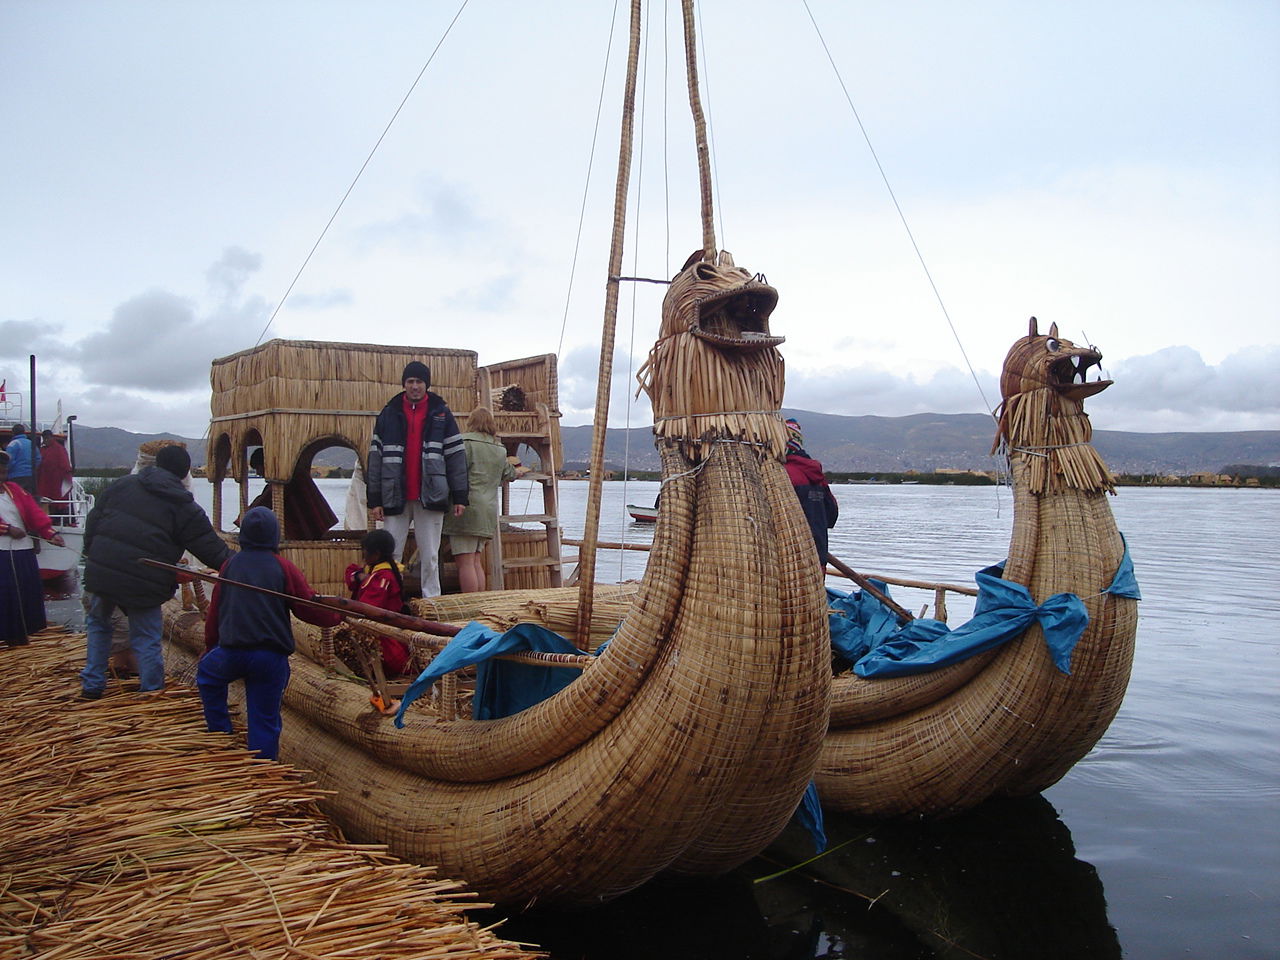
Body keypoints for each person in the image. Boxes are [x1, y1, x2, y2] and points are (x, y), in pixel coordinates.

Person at [80, 444, 230, 699]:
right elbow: (214, 551)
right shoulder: (184, 507)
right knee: (146, 635)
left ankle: (92, 685)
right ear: (185, 474)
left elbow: (93, 522)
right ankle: (151, 691)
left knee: (98, 624)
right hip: (143, 582)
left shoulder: (122, 485)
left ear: (157, 465)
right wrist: (251, 566)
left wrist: (92, 555)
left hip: (103, 572)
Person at [197, 506, 342, 760]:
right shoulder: (283, 568)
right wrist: (336, 616)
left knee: (208, 675)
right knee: (263, 718)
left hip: (232, 652)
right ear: (274, 536)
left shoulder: (230, 566)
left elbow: (215, 615)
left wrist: (211, 648)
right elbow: (306, 608)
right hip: (270, 659)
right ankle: (262, 768)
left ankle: (220, 734)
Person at [367, 361, 469, 598]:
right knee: (390, 554)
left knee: (431, 555)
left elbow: (456, 458)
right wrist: (375, 500)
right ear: (404, 384)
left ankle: (431, 602)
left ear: (426, 384)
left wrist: (460, 496)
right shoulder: (388, 413)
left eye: (419, 381)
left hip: (431, 497)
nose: (415, 386)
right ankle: (387, 600)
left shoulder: (442, 414)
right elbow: (375, 459)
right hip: (394, 496)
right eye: (410, 381)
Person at [443, 406, 520, 593]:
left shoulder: (464, 443)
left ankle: (471, 605)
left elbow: (453, 471)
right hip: (488, 511)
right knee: (476, 560)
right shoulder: (499, 449)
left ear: (471, 422)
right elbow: (510, 473)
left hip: (465, 508)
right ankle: (479, 603)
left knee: (465, 563)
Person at [0, 449, 65, 647]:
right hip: (2, 553)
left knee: (25, 592)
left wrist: (50, 533)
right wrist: (7, 528)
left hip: (22, 551)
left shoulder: (14, 490)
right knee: (5, 594)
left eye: (3, 472)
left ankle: (21, 636)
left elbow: (34, 512)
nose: (2, 476)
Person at [344, 528, 411, 676]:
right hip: (378, 624)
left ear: (376, 554)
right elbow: (351, 572)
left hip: (383, 629)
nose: (363, 555)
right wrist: (359, 577)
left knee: (394, 664)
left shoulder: (383, 578)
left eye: (365, 551)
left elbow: (368, 607)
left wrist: (344, 612)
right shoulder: (373, 569)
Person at [783, 417, 839, 565]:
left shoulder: (781, 474)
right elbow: (832, 515)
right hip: (818, 556)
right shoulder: (818, 476)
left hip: (790, 561)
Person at [36, 430, 74, 522]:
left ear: (50, 437)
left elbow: (65, 466)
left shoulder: (59, 449)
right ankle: (46, 519)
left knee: (57, 501)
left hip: (56, 481)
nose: (45, 441)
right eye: (44, 439)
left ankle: (58, 520)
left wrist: (66, 477)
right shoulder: (43, 449)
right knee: (45, 500)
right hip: (45, 480)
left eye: (47, 438)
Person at [4, 423, 36, 495]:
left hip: (16, 476)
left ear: (13, 433)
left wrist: (6, 471)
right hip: (31, 476)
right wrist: (32, 469)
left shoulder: (13, 444)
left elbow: (8, 460)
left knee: (16, 497)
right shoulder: (31, 443)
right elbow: (38, 458)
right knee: (28, 497)